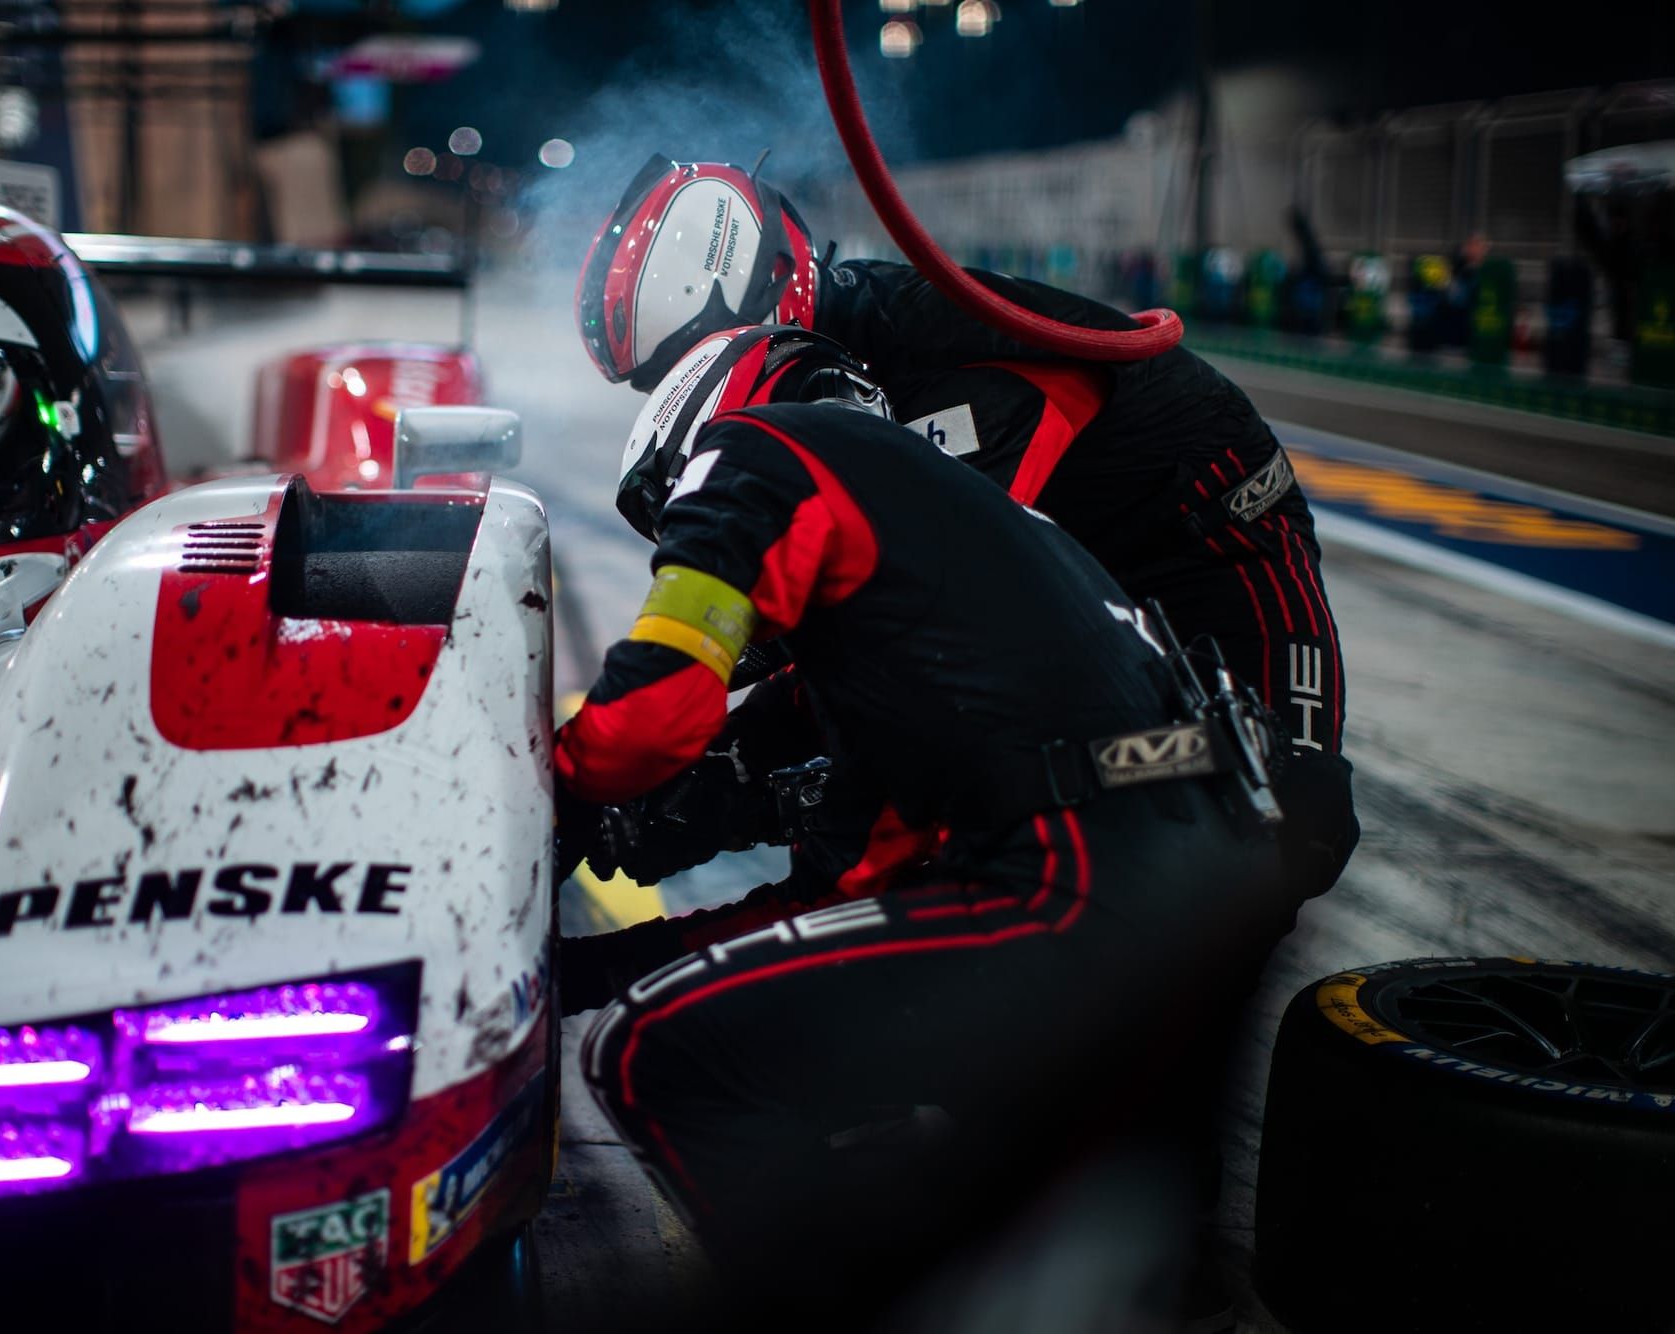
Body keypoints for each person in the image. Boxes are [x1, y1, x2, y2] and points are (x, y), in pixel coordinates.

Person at [554, 323, 1297, 1326]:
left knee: (648, 1049)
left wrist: (553, 791)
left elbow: (641, 726)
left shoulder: (757, 445)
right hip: (1192, 906)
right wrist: (590, 970)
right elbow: (844, 897)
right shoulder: (961, 588)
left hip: (1078, 877)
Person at [576, 157, 1357, 900]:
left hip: (1215, 548)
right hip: (1094, 584)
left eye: (691, 357)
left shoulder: (928, 354)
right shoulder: (840, 367)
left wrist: (729, 783)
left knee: (1297, 826)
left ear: (765, 291)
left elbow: (910, 630)